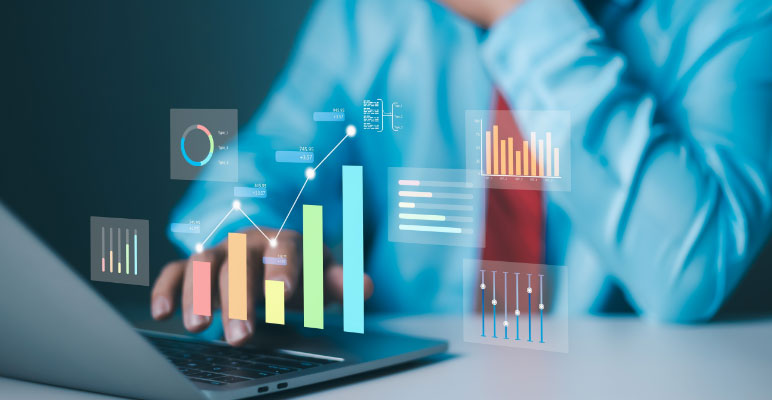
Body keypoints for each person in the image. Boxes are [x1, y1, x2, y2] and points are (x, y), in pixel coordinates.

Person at [151, 0, 772, 346]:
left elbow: (691, 269)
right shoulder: (376, 14)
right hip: (408, 376)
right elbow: (261, 163)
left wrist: (523, 13)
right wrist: (252, 232)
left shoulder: (730, 14)